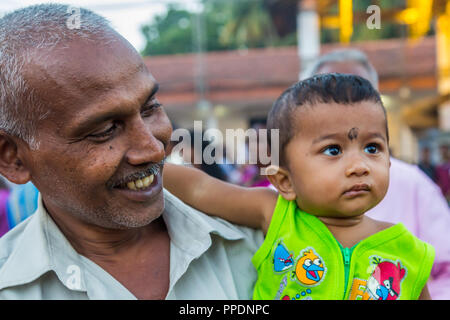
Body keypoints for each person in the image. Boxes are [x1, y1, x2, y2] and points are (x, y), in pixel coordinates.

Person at [0, 4, 263, 299]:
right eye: (104, 130)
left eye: (150, 108)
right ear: (12, 157)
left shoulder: (268, 243)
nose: (153, 148)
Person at [164, 74, 435, 300]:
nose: (359, 165)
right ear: (285, 181)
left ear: (389, 161)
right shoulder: (277, 214)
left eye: (372, 147)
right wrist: (144, 167)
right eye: (333, 150)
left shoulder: (410, 253)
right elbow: (200, 189)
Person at [301, 48, 450, 300]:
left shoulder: (413, 184)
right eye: (330, 98)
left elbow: (445, 273)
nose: (347, 108)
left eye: (360, 93)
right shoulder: (286, 192)